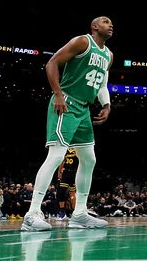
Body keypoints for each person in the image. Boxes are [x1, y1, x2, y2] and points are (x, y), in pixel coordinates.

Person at [21, 16, 114, 231]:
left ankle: (80, 213)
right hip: (67, 102)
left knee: (89, 159)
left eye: (112, 23)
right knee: (56, 156)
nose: (110, 25)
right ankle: (32, 213)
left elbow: (102, 84)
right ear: (94, 27)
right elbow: (51, 63)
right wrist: (58, 94)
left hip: (83, 109)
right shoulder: (82, 42)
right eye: (106, 22)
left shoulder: (108, 55)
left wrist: (107, 105)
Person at [56, 148, 78, 219]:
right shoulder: (65, 149)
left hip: (74, 172)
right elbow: (62, 161)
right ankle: (62, 212)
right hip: (65, 173)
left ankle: (74, 212)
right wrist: (59, 172)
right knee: (61, 192)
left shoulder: (78, 149)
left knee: (72, 193)